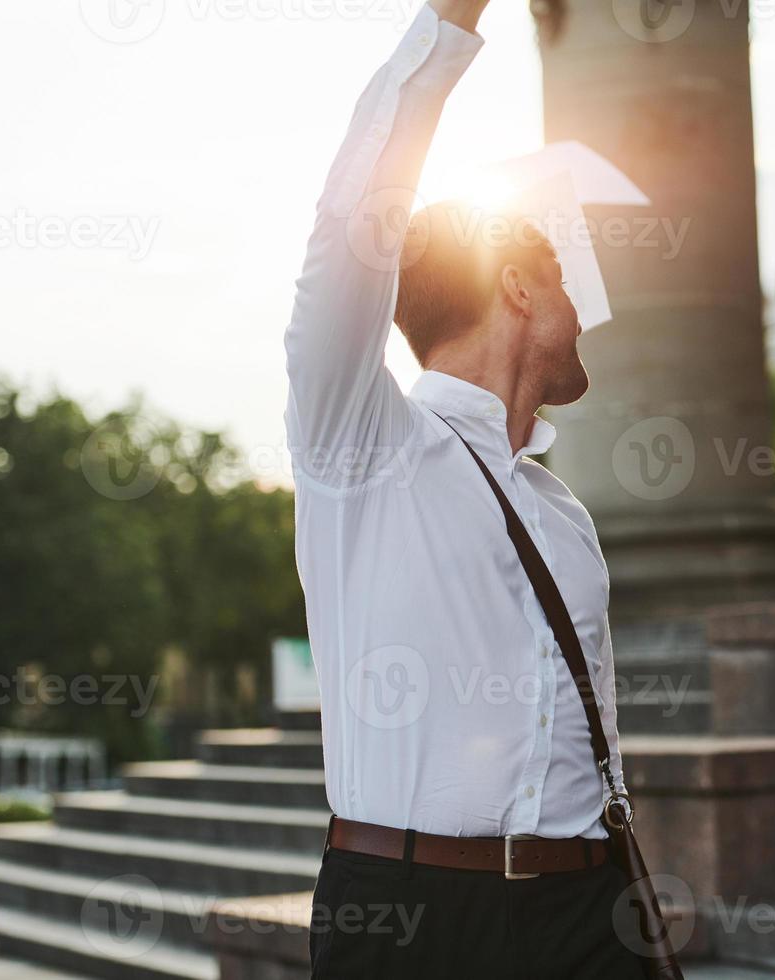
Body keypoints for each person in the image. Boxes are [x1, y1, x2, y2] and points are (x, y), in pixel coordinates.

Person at [282, 1, 648, 976]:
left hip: (588, 906)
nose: (585, 316)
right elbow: (347, 225)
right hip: (412, 918)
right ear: (521, 286)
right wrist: (452, 24)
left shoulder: (561, 514)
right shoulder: (360, 441)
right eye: (569, 284)